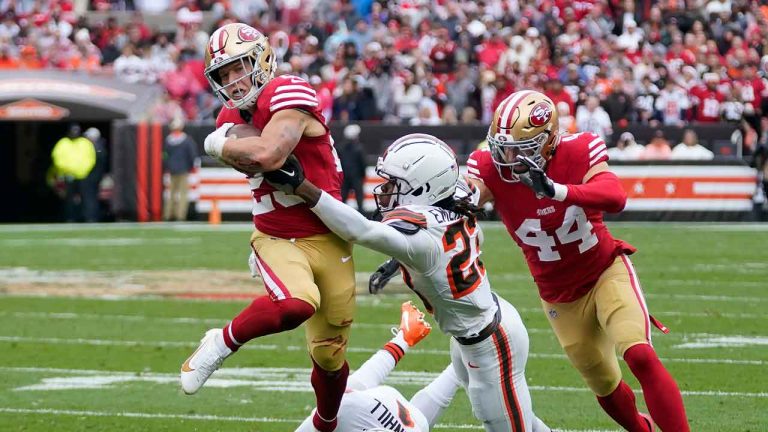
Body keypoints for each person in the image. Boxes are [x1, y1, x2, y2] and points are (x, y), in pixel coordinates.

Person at [265, 134, 552, 432]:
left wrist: (303, 188)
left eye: (394, 183)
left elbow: (360, 231)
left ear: (424, 186)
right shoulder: (452, 202)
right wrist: (406, 259)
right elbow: (472, 236)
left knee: (509, 422)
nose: (386, 190)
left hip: (488, 341)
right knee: (520, 415)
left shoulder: (422, 236)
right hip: (484, 326)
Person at [464, 90, 689, 431]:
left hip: (603, 272)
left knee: (639, 355)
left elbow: (615, 196)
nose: (508, 157)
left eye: (521, 149)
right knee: (604, 384)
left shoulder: (579, 149)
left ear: (550, 140)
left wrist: (557, 189)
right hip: (557, 296)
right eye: (503, 146)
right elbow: (464, 200)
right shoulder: (486, 166)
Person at [180, 23, 356, 432]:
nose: (232, 81)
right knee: (295, 304)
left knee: (330, 356)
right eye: (222, 75)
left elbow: (269, 153)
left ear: (261, 59)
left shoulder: (288, 90)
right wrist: (231, 139)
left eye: (237, 67)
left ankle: (326, 423)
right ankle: (220, 342)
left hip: (330, 234)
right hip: (278, 234)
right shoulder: (229, 115)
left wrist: (220, 143)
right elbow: (262, 155)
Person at [297, 301, 458, 432]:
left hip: (392, 413)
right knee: (338, 404)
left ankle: (457, 363)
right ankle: (458, 361)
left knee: (336, 406)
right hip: (384, 410)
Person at [50, 123, 96, 222]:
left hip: (83, 175)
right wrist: (67, 169)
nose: (74, 133)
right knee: (69, 199)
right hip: (69, 175)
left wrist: (84, 170)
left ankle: (88, 218)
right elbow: (57, 158)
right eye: (73, 131)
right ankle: (70, 218)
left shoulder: (85, 143)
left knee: (86, 198)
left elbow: (91, 158)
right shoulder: (63, 143)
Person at [162, 117, 198, 221]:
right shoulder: (186, 140)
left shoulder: (168, 140)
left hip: (172, 170)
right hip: (183, 170)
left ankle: (168, 214)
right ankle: (180, 215)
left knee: (171, 194)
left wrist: (167, 166)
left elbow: (165, 155)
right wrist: (191, 166)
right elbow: (192, 155)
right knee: (183, 194)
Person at [337, 124, 367, 214]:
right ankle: (361, 215)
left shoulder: (340, 148)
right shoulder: (359, 148)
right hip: (356, 176)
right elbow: (363, 164)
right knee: (359, 199)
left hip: (345, 177)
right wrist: (363, 175)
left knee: (343, 198)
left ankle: (341, 215)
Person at [83, 127, 108, 222]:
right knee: (93, 197)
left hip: (92, 176)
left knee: (90, 197)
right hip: (97, 176)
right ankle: (92, 217)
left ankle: (91, 217)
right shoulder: (100, 146)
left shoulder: (96, 147)